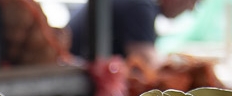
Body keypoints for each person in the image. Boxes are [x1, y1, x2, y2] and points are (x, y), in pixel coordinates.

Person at [66, 0, 200, 66]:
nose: (191, 8)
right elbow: (148, 63)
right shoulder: (139, 6)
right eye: (195, 1)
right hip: (73, 82)